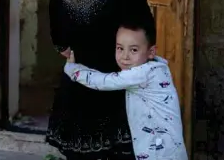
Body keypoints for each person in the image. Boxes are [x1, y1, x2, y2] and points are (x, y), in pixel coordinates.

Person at [45, 0, 155, 160]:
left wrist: (126, 61)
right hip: (80, 87)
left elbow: (144, 30)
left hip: (120, 87)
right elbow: (61, 43)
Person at [64, 21, 188, 160]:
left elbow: (103, 82)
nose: (125, 56)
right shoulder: (157, 67)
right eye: (120, 48)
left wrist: (72, 69)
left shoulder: (143, 74)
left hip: (160, 152)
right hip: (166, 148)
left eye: (133, 50)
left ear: (151, 52)